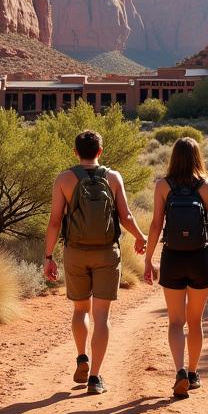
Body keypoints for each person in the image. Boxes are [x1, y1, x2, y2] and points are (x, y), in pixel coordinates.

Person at [43, 128, 147, 394]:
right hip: (106, 253)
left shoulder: (64, 179)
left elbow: (55, 221)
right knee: (102, 316)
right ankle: (96, 378)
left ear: (75, 152)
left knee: (80, 310)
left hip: (75, 252)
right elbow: (125, 216)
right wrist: (140, 237)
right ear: (100, 151)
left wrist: (48, 257)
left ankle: (81, 357)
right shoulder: (112, 177)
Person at [143, 136, 208, 398]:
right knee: (195, 321)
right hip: (201, 258)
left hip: (172, 258)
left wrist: (148, 260)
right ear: (198, 157)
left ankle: (179, 370)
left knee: (175, 321)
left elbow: (156, 226)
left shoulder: (162, 186)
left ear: (173, 158)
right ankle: (193, 373)